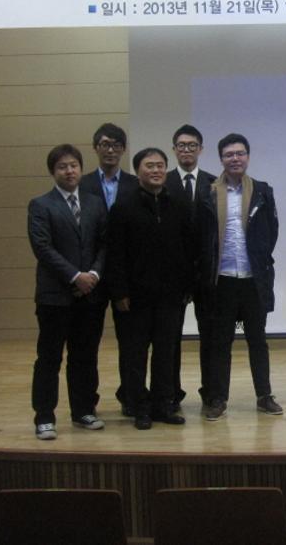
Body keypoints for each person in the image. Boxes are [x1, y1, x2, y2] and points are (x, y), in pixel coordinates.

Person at [106, 148, 194, 429]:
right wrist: (119, 292)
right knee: (135, 355)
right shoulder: (123, 207)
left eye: (160, 165)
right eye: (149, 166)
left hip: (170, 296)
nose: (156, 170)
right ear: (138, 171)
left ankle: (163, 405)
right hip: (134, 298)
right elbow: (115, 254)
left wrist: (187, 286)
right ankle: (139, 407)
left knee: (166, 353)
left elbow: (188, 249)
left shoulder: (178, 204)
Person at [197, 133, 282, 420]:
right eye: (229, 154)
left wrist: (259, 258)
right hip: (222, 280)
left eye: (240, 153)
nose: (235, 158)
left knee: (258, 340)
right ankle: (218, 398)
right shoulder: (208, 192)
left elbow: (271, 231)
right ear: (221, 159)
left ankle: (264, 395)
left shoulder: (262, 191)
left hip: (252, 279)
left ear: (247, 156)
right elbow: (203, 236)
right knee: (221, 342)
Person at [28, 144, 108, 440]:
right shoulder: (40, 205)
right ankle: (44, 417)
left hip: (90, 296)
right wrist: (76, 276)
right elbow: (42, 248)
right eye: (62, 166)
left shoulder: (95, 203)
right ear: (53, 171)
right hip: (55, 297)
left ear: (81, 169)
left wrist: (94, 274)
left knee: (84, 357)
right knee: (49, 358)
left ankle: (83, 410)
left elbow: (104, 244)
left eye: (73, 165)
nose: (69, 171)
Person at [78, 122, 138, 415]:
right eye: (104, 144)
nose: (110, 150)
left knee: (131, 343)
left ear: (124, 149)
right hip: (92, 275)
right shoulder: (82, 184)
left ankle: (130, 398)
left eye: (116, 145)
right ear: (95, 148)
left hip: (126, 277)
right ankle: (87, 402)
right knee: (87, 344)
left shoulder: (136, 184)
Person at [164, 124, 216, 411]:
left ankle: (211, 392)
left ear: (201, 149)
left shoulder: (214, 183)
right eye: (182, 145)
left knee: (210, 336)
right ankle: (171, 393)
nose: (187, 150)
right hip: (173, 275)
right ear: (174, 149)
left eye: (192, 145)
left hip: (207, 274)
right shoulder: (163, 182)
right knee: (170, 338)